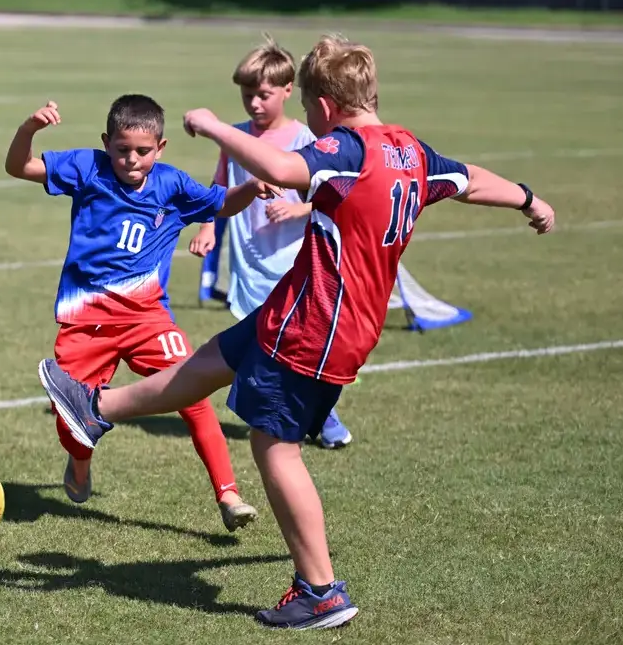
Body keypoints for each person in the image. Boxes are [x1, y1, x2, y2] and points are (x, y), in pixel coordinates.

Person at [38, 36, 555, 629]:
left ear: (327, 107)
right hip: (307, 309)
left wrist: (212, 126)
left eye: (309, 109)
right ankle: (96, 407)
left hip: (318, 323)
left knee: (272, 445)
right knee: (214, 357)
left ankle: (320, 589)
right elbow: (470, 179)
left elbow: (283, 167)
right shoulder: (409, 150)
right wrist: (528, 199)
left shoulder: (346, 148)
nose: (308, 122)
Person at [5, 94, 273, 531]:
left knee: (193, 394)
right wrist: (29, 128)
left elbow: (221, 204)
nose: (131, 160)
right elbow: (19, 167)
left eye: (143, 151)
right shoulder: (86, 168)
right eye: (122, 149)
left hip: (148, 319)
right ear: (106, 142)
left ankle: (228, 495)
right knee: (71, 420)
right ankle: (79, 462)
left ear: (161, 148)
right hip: (85, 321)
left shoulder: (172, 185)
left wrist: (251, 187)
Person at [189, 36, 351, 449]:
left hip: (292, 260)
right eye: (247, 96)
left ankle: (322, 414)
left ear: (287, 91)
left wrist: (299, 210)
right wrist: (208, 227)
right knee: (259, 338)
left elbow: (334, 193)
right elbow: (219, 186)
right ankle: (277, 414)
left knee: (291, 342)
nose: (254, 104)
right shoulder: (237, 138)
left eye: (263, 95)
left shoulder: (305, 140)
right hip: (249, 258)